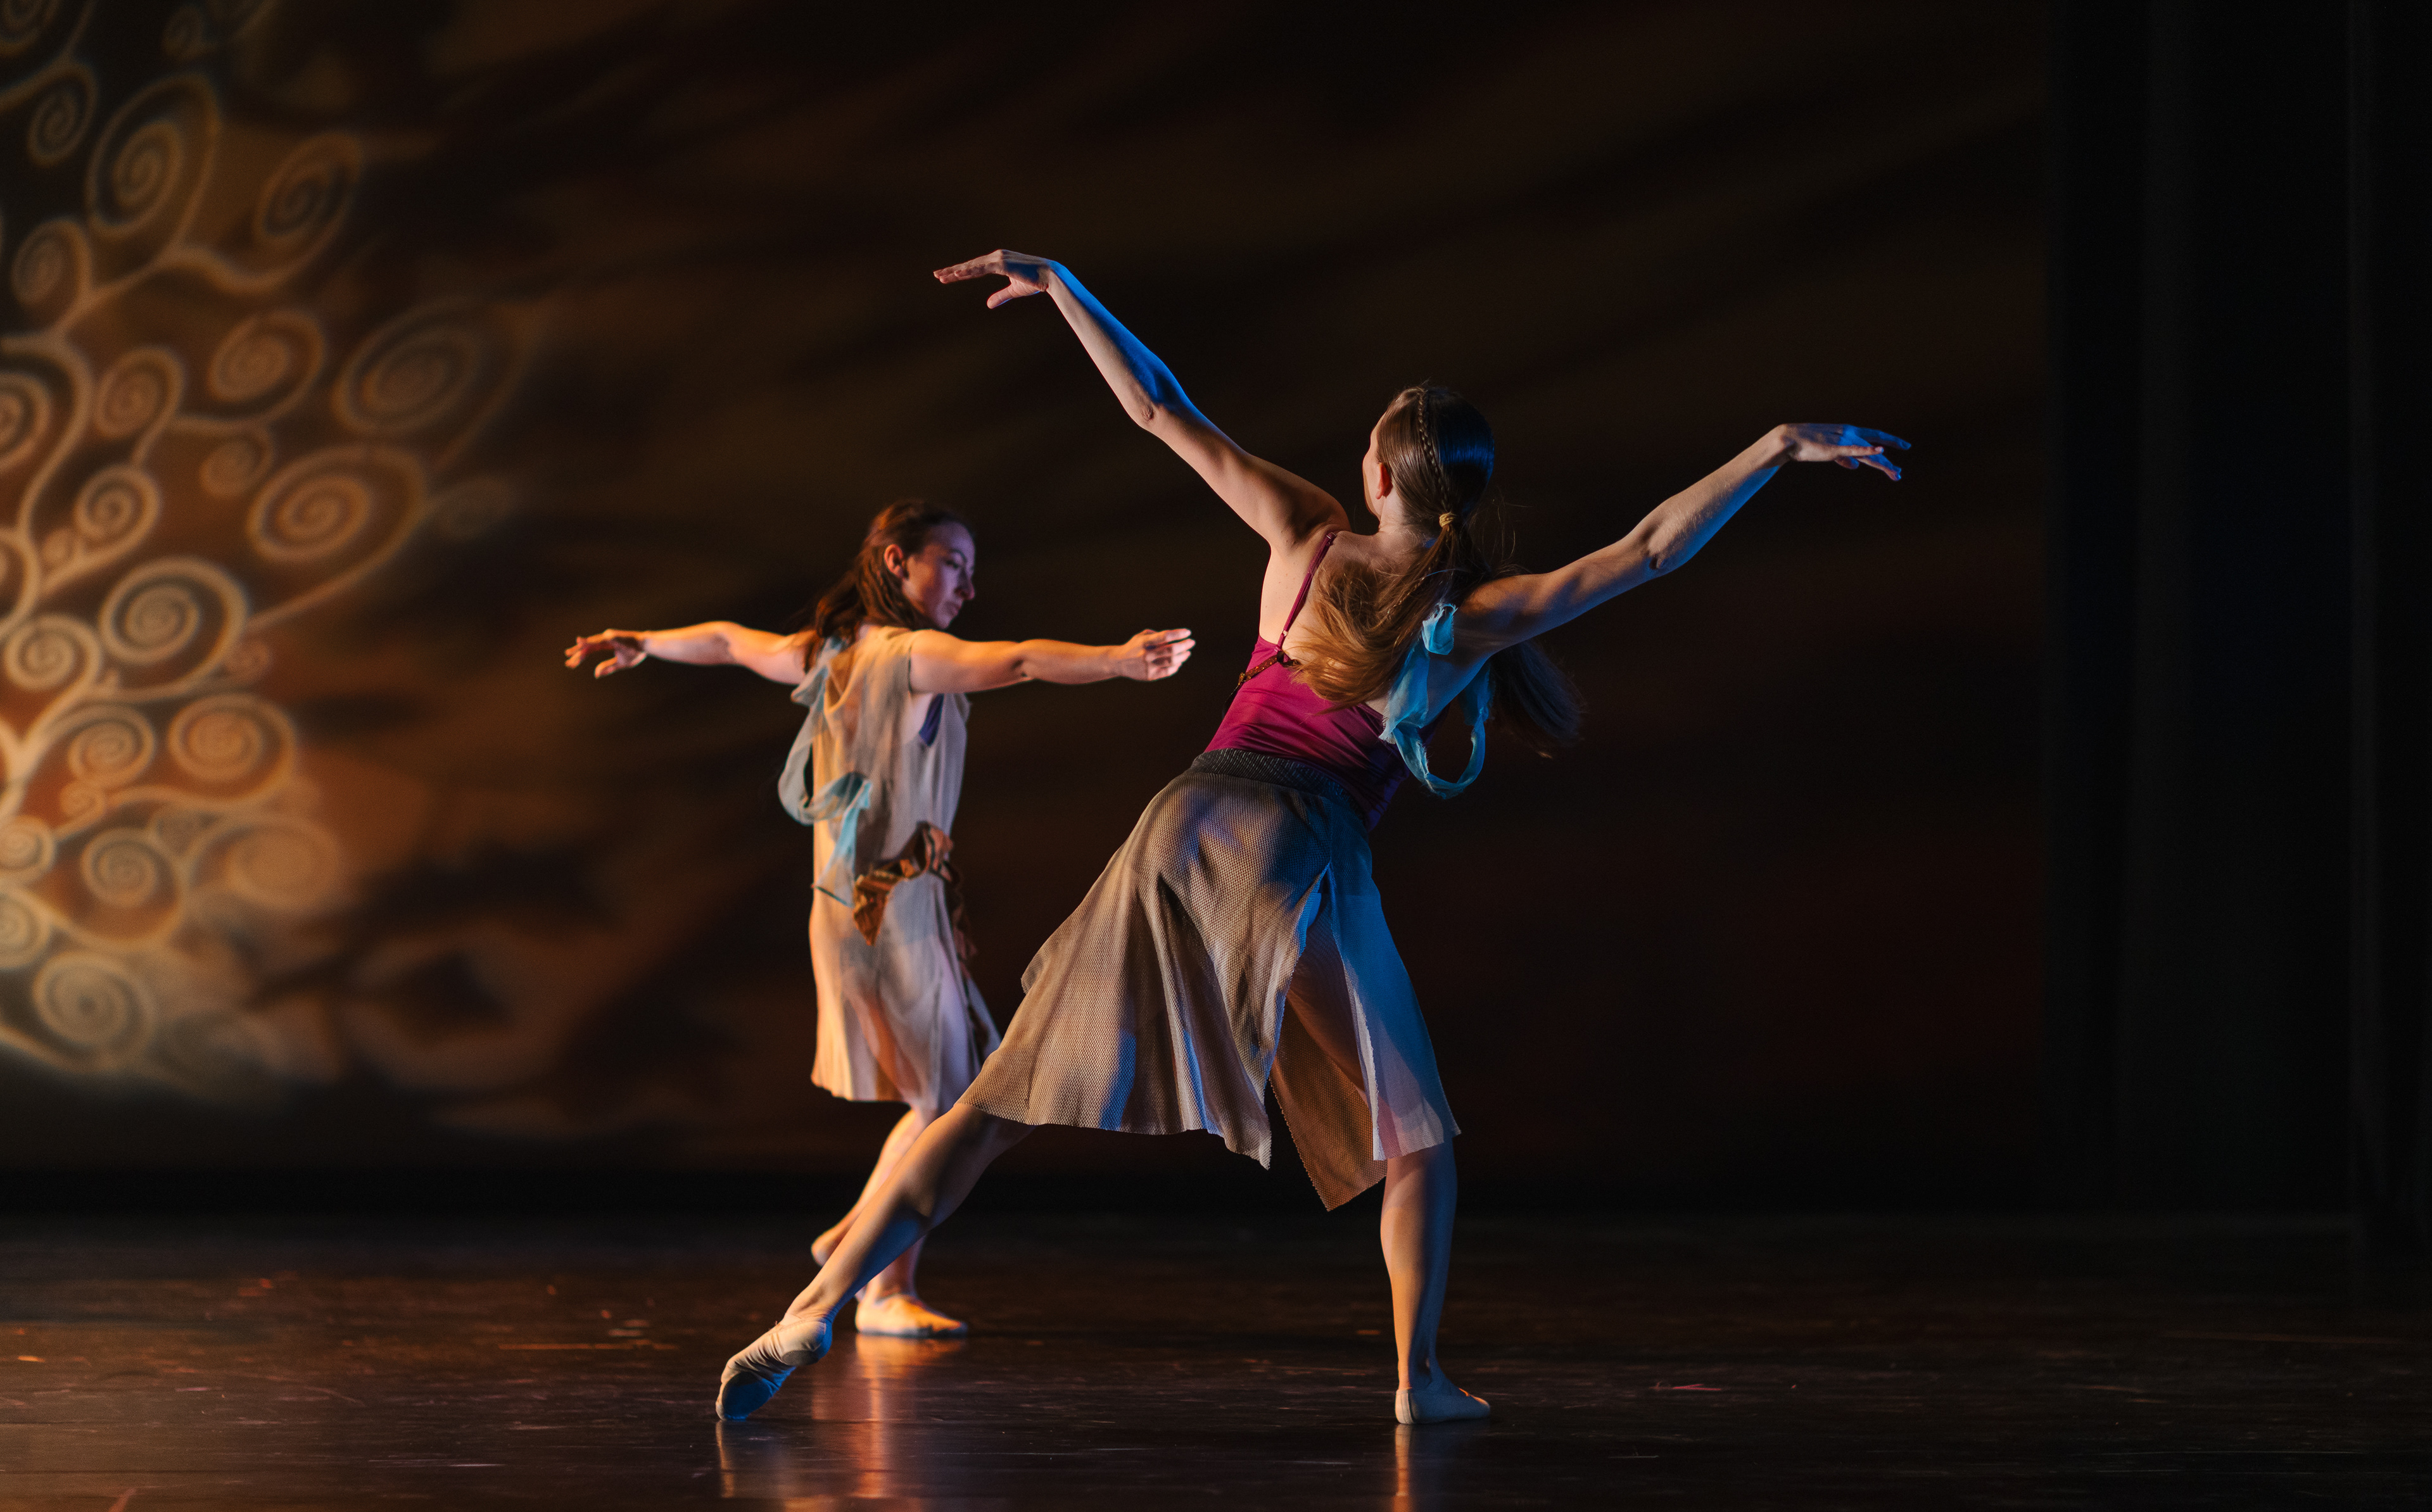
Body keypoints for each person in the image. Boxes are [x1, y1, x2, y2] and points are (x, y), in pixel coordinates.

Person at [711, 252, 1905, 1423]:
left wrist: (1068, 287)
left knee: (993, 1105)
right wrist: (1775, 447)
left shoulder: (1308, 532)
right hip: (1295, 841)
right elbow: (1647, 549)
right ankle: (1418, 1381)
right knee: (1417, 1134)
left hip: (1183, 816)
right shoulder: (1471, 613)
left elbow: (1158, 406)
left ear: (1377, 473)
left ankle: (813, 1305)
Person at [566, 500, 1193, 1336]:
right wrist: (1117, 660)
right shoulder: (909, 654)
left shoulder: (826, 653)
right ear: (898, 561)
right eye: (953, 564)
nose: (968, 587)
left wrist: (645, 642)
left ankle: (860, 1243)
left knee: (946, 1098)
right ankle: (881, 1281)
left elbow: (725, 641)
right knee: (949, 1106)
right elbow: (1019, 661)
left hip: (855, 910)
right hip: (891, 912)